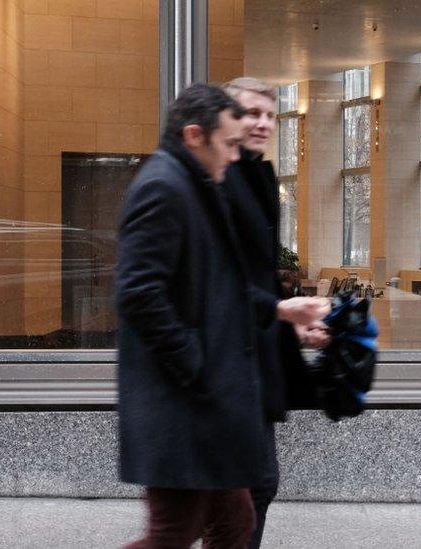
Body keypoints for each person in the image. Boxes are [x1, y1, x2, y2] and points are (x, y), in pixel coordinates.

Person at [116, 83, 329, 548]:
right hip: (182, 401)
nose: (236, 156)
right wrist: (195, 362)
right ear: (195, 135)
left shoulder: (195, 185)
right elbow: (138, 294)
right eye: (230, 143)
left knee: (236, 520)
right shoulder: (163, 187)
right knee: (174, 533)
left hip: (208, 399)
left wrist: (280, 313)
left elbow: (222, 287)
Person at [222, 76, 331, 549]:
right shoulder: (217, 178)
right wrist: (283, 311)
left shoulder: (260, 176)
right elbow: (215, 282)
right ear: (226, 118)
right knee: (252, 485)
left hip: (252, 352)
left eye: (270, 114)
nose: (264, 123)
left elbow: (258, 275)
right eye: (252, 113)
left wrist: (295, 325)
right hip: (223, 357)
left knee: (251, 487)